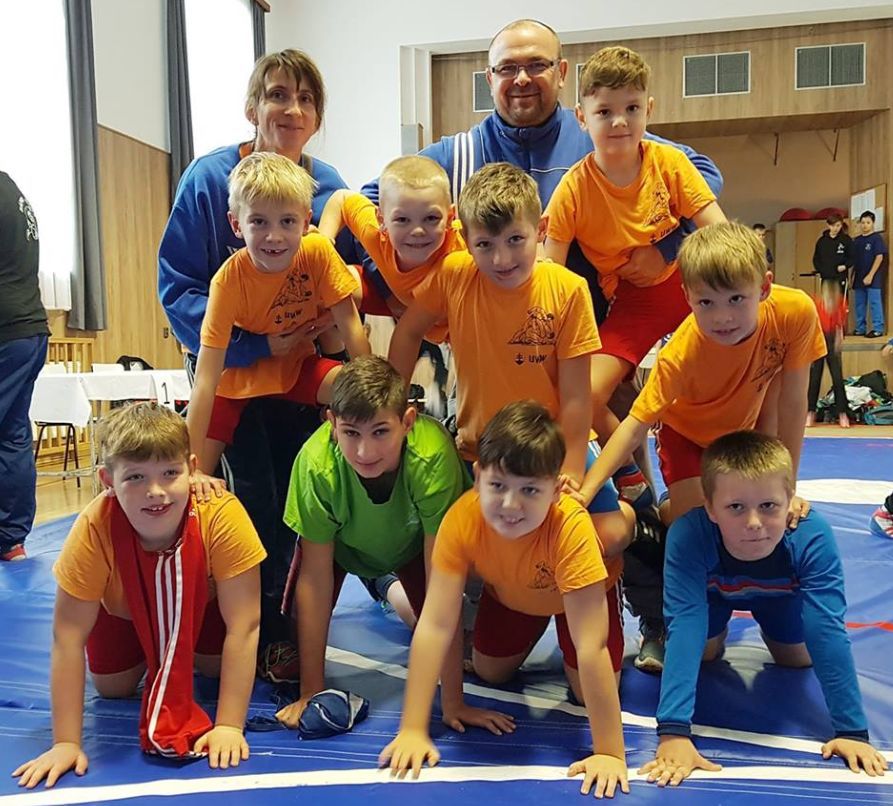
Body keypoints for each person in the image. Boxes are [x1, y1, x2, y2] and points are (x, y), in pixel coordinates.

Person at [158, 49, 354, 674]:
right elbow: (177, 291)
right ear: (252, 108)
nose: (291, 109)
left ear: (317, 116)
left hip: (298, 372)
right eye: (277, 95)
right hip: (233, 374)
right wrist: (259, 345)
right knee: (252, 499)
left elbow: (357, 278)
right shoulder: (209, 180)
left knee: (306, 497)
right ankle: (243, 621)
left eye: (305, 98)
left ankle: (287, 627)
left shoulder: (330, 187)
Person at [379, 402, 629, 799]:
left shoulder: (570, 528)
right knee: (490, 671)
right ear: (478, 477)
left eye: (530, 490)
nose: (511, 506)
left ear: (557, 489)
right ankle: (386, 586)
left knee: (588, 692)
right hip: (516, 595)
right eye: (498, 486)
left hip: (576, 597)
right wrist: (416, 726)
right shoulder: (462, 519)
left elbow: (591, 645)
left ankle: (632, 515)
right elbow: (436, 624)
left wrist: (610, 753)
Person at [12, 403, 266, 789]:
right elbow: (67, 637)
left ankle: (174, 647)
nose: (156, 492)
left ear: (192, 469)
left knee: (214, 669)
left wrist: (230, 724)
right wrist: (66, 742)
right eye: (135, 477)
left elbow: (244, 624)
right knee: (112, 689)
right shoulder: (95, 526)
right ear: (107, 480)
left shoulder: (220, 515)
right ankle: (151, 647)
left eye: (170, 473)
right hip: (123, 613)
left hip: (197, 609)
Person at [274, 356, 511, 735]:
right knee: (291, 636)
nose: (365, 452)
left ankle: (384, 583)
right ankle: (379, 580)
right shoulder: (316, 466)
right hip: (341, 550)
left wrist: (454, 702)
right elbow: (315, 580)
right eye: (351, 433)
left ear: (408, 421)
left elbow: (443, 585)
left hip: (410, 546)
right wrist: (310, 692)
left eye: (380, 432)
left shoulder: (431, 457)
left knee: (428, 620)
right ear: (331, 424)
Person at [639, 431, 888, 786]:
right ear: (710, 508)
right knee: (703, 653)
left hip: (780, 598)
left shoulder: (811, 535)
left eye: (769, 506)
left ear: (791, 500)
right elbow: (685, 623)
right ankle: (720, 630)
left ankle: (761, 624)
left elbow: (827, 629)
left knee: (797, 659)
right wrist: (673, 731)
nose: (754, 523)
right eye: (736, 507)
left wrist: (852, 731)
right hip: (713, 596)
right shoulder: (688, 534)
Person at [543, 45, 726, 505]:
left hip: (691, 285)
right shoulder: (572, 189)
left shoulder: (670, 163)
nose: (619, 122)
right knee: (579, 394)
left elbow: (719, 233)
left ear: (649, 110)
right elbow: (549, 277)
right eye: (604, 111)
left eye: (631, 108)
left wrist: (671, 252)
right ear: (582, 118)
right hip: (634, 301)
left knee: (724, 379)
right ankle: (625, 466)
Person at [577, 222, 826, 527]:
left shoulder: (795, 312)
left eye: (736, 299)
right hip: (685, 435)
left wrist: (788, 488)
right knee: (696, 526)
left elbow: (793, 401)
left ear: (764, 288)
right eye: (706, 302)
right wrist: (585, 492)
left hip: (742, 431)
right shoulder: (680, 355)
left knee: (750, 519)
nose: (722, 318)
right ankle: (666, 508)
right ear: (687, 296)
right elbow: (633, 427)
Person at [389, 162, 598, 485]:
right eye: (485, 245)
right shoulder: (454, 274)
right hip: (478, 452)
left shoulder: (568, 290)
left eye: (515, 239)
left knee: (612, 517)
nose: (502, 260)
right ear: (465, 238)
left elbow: (576, 397)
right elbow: (408, 332)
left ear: (541, 229)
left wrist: (570, 470)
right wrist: (392, 408)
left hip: (550, 451)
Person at [186, 152, 369, 484]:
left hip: (297, 365)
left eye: (287, 222)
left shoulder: (317, 252)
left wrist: (372, 397)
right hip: (239, 377)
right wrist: (190, 468)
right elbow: (206, 379)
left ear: (305, 221)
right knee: (195, 470)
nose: (274, 237)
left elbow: (351, 327)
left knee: (359, 393)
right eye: (259, 222)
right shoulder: (227, 282)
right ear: (236, 224)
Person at [320, 155, 463, 340]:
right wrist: (323, 244)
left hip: (459, 326)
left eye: (431, 218)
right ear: (381, 220)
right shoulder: (376, 233)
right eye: (402, 220)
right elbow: (341, 199)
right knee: (329, 280)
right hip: (411, 310)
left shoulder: (465, 253)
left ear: (450, 217)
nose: (417, 231)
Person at [0, 171, 48, 561]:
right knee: (12, 434)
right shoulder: (10, 188)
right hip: (30, 330)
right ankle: (10, 541)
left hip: (7, 330)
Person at [806, 279, 850, 428]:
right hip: (819, 339)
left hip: (832, 339)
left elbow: (840, 326)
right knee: (815, 378)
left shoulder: (840, 304)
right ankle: (810, 412)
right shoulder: (816, 303)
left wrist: (839, 341)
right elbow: (812, 324)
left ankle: (842, 413)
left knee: (837, 378)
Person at [852, 210, 887, 337]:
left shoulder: (876, 239)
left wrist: (871, 275)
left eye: (868, 222)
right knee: (859, 304)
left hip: (873, 277)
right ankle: (860, 328)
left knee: (874, 303)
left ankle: (878, 328)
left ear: (873, 223)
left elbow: (879, 257)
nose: (865, 225)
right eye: (862, 222)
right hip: (859, 276)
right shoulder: (856, 240)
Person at [812, 213, 853, 289]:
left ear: (841, 225)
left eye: (838, 225)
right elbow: (816, 258)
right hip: (826, 277)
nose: (835, 228)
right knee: (826, 296)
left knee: (840, 296)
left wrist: (845, 266)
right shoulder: (822, 241)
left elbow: (852, 257)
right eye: (833, 226)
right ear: (828, 225)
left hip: (840, 276)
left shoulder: (846, 240)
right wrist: (821, 270)